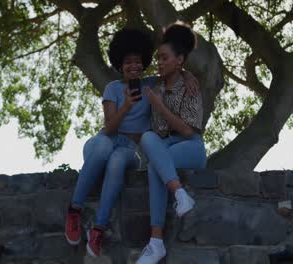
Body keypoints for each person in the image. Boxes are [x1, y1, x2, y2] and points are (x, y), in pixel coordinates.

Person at [64, 27, 200, 258]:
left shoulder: (150, 85)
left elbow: (173, 69)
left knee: (117, 161)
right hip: (104, 141)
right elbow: (108, 128)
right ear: (120, 64)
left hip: (128, 149)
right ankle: (74, 210)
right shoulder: (112, 89)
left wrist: (188, 75)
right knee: (107, 147)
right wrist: (126, 105)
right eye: (128, 62)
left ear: (144, 62)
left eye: (138, 61)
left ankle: (99, 228)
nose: (134, 66)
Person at [136, 23, 207, 264]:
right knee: (148, 139)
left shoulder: (191, 87)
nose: (159, 62)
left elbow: (188, 130)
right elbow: (127, 76)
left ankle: (156, 242)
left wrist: (159, 106)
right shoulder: (153, 86)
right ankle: (179, 195)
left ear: (179, 60)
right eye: (158, 58)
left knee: (156, 163)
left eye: (165, 58)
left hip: (191, 147)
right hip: (164, 149)